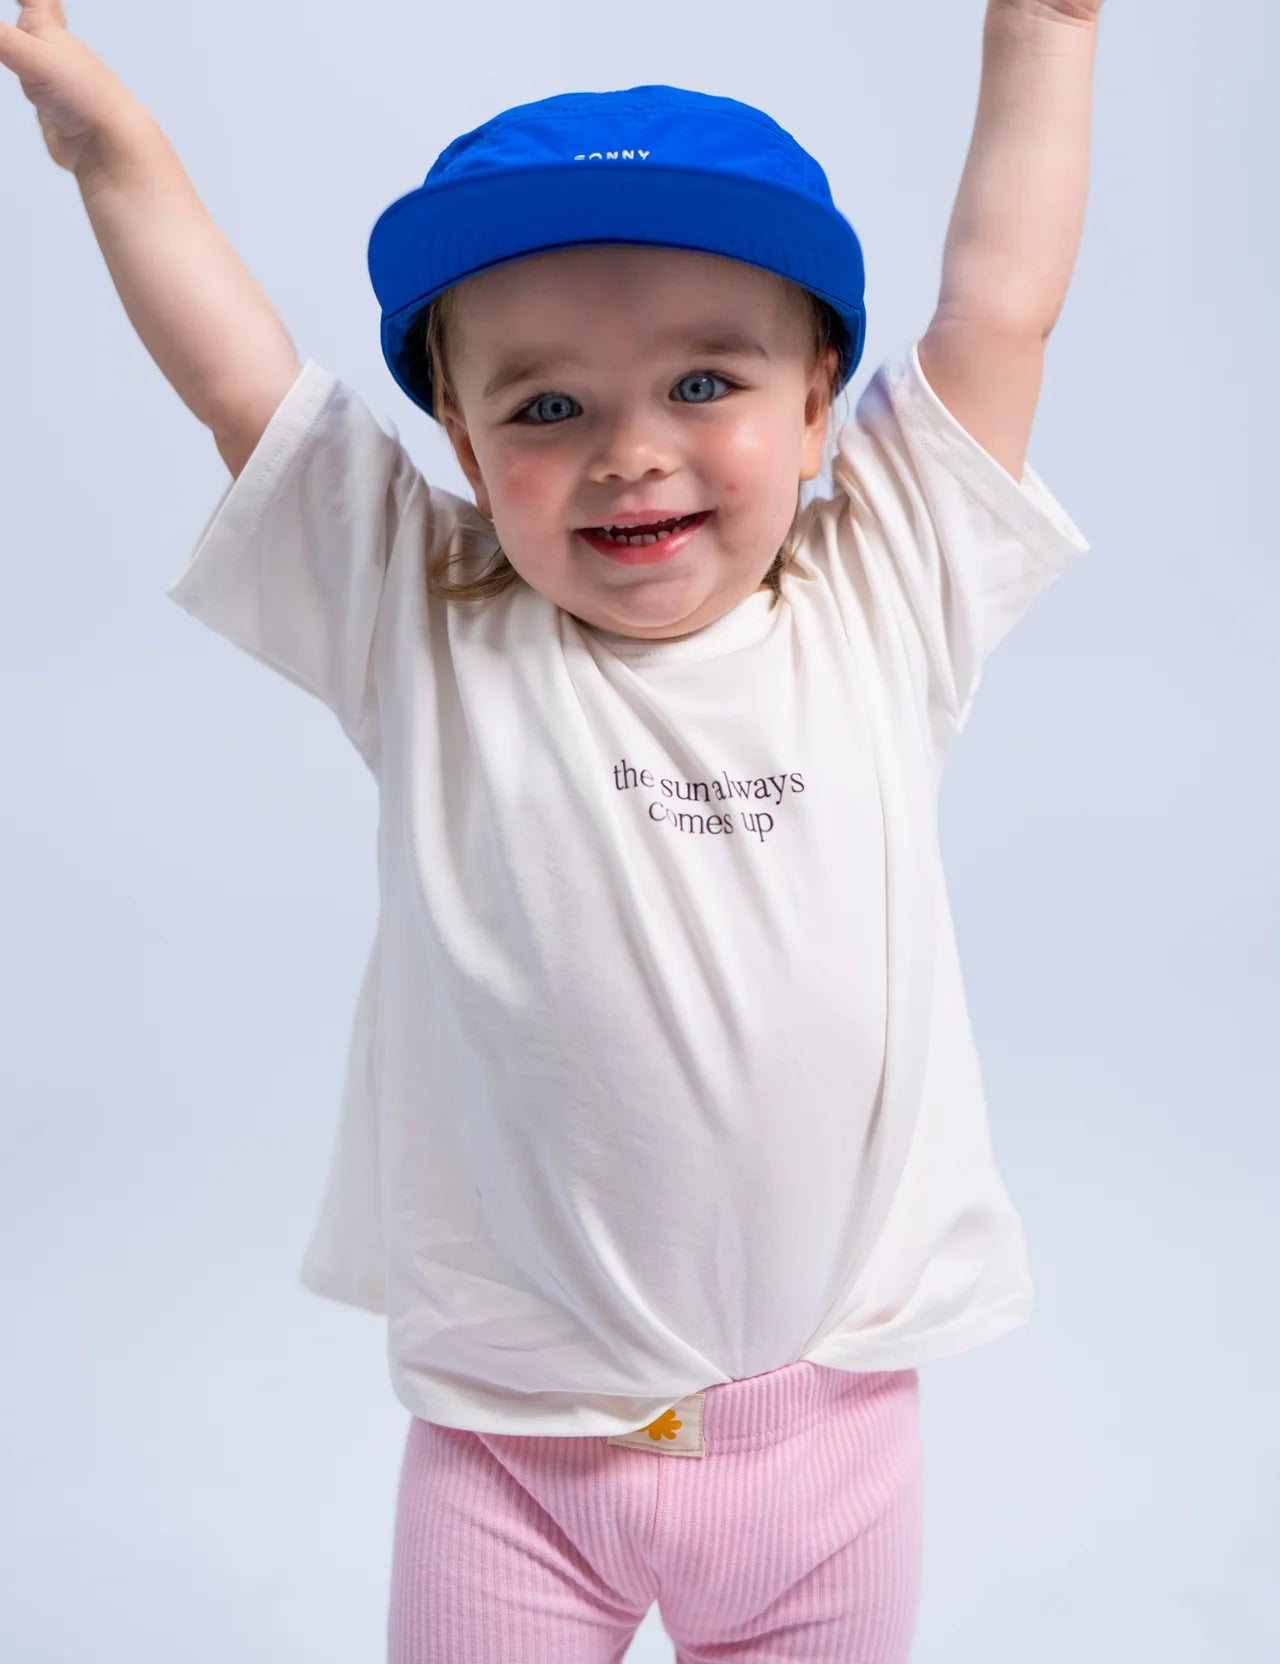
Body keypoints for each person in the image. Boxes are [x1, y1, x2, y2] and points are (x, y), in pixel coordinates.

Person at [0, 2, 1106, 1658]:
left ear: (821, 406)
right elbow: (243, 385)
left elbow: (999, 303)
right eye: (544, 410)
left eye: (704, 379)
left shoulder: (886, 592)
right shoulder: (424, 619)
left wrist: (1048, 28)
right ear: (458, 442)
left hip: (826, 1451)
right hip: (512, 1457)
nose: (629, 450)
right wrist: (112, 154)